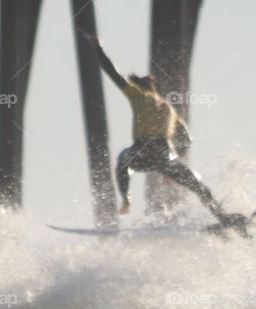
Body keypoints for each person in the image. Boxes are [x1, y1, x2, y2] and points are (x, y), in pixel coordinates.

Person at [82, 32, 230, 224]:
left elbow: (113, 74)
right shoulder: (170, 108)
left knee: (122, 160)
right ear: (154, 87)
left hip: (141, 151)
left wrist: (97, 49)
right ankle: (222, 216)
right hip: (165, 154)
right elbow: (187, 138)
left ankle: (126, 200)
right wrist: (173, 164)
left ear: (140, 86)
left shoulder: (138, 96)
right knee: (197, 184)